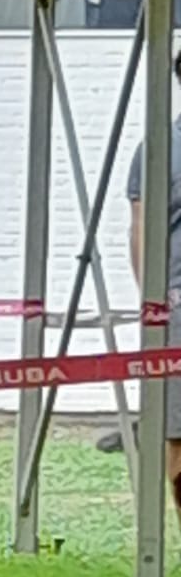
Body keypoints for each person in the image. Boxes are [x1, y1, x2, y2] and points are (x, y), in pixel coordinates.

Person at [124, 48, 181, 530]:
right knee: (178, 427)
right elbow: (141, 226)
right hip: (179, 301)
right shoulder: (160, 146)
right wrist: (154, 301)